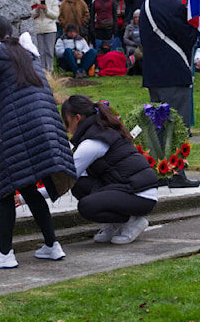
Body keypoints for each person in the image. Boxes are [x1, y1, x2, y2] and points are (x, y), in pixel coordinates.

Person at [0, 14, 76, 269]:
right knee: (26, 187)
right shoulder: (26, 54)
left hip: (15, 130)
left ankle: (4, 252)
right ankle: (51, 245)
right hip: (41, 127)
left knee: (3, 189)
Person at [60, 95, 158, 245]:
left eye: (66, 121)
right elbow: (78, 176)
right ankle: (118, 224)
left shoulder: (93, 141)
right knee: (79, 186)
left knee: (87, 206)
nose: (66, 128)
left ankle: (132, 221)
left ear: (77, 118)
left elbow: (66, 178)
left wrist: (23, 198)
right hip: (126, 185)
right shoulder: (100, 130)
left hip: (141, 193)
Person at [138, 0, 200, 188]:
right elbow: (188, 38)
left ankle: (161, 171)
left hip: (154, 74)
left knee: (159, 125)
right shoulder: (175, 8)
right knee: (176, 125)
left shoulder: (145, 6)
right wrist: (197, 24)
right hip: (174, 73)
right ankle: (177, 173)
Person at [30, 0, 60, 72]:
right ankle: (42, 70)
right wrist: (37, 10)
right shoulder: (34, 1)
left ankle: (50, 70)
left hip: (50, 29)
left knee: (49, 51)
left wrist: (46, 10)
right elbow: (30, 15)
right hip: (38, 29)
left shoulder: (52, 0)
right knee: (40, 52)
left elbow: (55, 15)